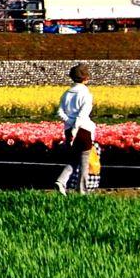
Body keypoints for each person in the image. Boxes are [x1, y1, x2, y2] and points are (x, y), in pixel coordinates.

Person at [56, 63, 96, 195]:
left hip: (68, 130)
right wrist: (75, 128)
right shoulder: (86, 95)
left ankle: (61, 181)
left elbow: (60, 112)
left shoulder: (66, 94)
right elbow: (82, 116)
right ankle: (82, 191)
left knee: (73, 159)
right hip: (83, 131)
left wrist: (69, 123)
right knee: (84, 162)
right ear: (86, 78)